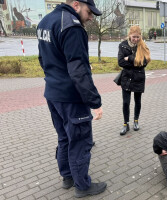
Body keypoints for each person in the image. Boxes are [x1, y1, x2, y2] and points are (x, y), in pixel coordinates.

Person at [37, 0, 106, 198]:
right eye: (89, 11)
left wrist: (56, 77)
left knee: (64, 137)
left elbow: (43, 58)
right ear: (76, 4)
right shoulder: (72, 26)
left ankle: (67, 177)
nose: (91, 16)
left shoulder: (45, 22)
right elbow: (78, 72)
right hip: (71, 98)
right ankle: (83, 186)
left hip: (53, 93)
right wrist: (96, 102)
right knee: (80, 141)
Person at [117, 25, 151, 136]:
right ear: (129, 35)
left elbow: (144, 62)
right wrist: (136, 61)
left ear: (140, 36)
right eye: (133, 37)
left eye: (138, 37)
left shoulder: (143, 46)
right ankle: (125, 124)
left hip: (138, 77)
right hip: (126, 77)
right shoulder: (122, 45)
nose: (135, 39)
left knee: (138, 101)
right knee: (126, 102)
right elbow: (121, 62)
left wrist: (130, 58)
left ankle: (136, 121)